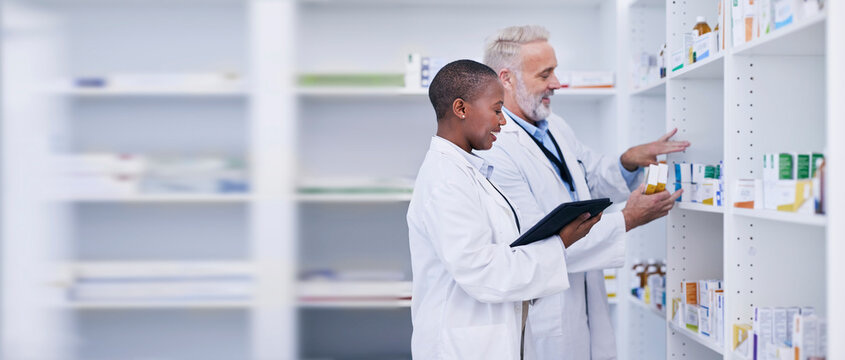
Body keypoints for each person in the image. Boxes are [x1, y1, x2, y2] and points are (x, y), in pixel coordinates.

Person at [477, 25, 689, 360]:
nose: (556, 84)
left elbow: (587, 178)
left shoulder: (554, 126)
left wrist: (627, 162)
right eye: (545, 74)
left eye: (555, 71)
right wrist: (628, 219)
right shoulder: (496, 149)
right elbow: (539, 240)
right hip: (547, 313)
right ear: (507, 79)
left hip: (585, 301)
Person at [407, 59, 606, 360]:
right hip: (460, 347)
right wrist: (561, 242)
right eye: (497, 110)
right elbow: (482, 270)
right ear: (461, 109)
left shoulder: (468, 171)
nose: (502, 122)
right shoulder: (446, 180)